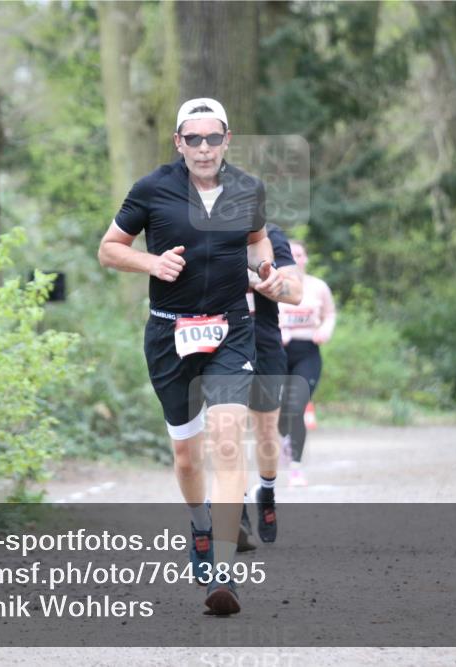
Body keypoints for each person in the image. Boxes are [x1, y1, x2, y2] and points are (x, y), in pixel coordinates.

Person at [98, 97, 280, 616]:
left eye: (213, 138)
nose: (204, 148)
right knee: (186, 454)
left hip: (231, 331)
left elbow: (259, 240)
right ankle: (200, 527)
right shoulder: (152, 189)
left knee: (226, 441)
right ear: (179, 142)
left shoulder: (248, 189)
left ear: (227, 140)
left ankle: (222, 569)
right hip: (168, 335)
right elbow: (109, 248)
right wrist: (151, 263)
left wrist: (265, 269)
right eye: (193, 139)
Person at [240, 223, 302, 546]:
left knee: (265, 430)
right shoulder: (204, 234)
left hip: (262, 339)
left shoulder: (272, 237)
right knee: (227, 425)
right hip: (219, 340)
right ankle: (234, 507)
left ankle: (266, 491)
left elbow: (296, 293)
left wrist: (261, 280)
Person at [278, 240, 336, 487]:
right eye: (289, 254)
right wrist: (279, 329)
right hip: (278, 352)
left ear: (305, 258)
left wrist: (325, 330)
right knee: (279, 412)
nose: (295, 258)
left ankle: (296, 468)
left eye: (299, 254)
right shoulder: (274, 284)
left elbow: (330, 314)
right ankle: (285, 438)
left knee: (297, 405)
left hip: (307, 352)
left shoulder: (318, 287)